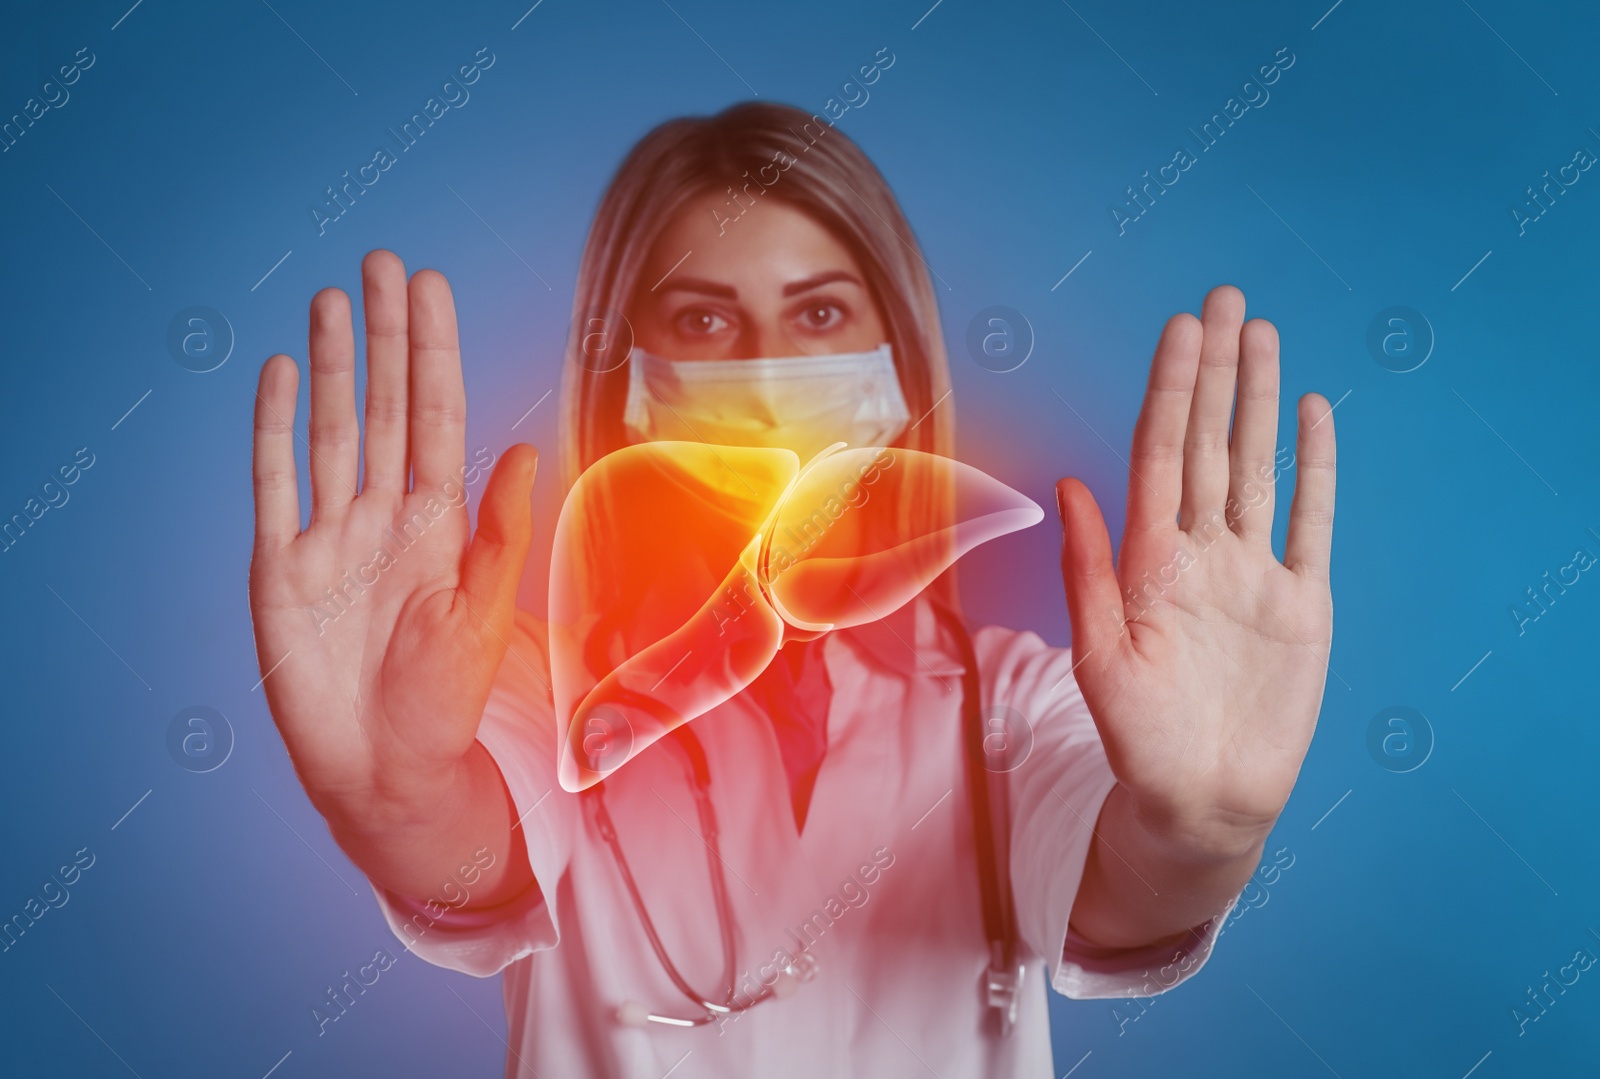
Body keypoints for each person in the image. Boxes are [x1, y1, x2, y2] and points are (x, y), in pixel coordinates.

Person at [247, 101, 1336, 1077]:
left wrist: (1205, 825)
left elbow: (1134, 890)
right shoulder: (536, 685)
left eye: (819, 317)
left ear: (900, 368)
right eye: (702, 322)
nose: (765, 380)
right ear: (627, 385)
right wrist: (392, 799)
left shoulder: (1004, 704)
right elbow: (465, 849)